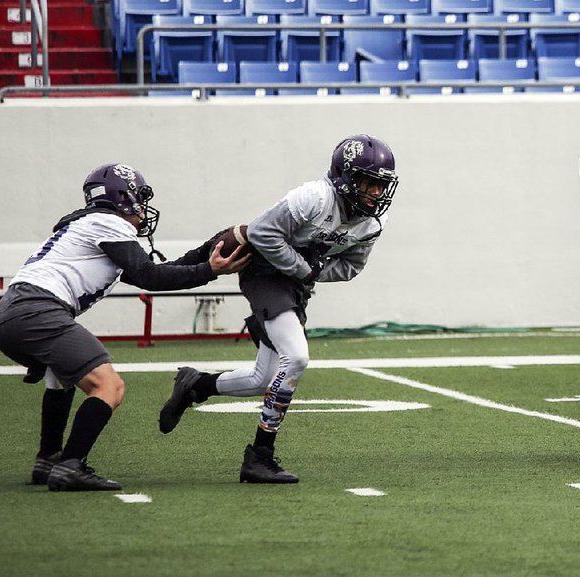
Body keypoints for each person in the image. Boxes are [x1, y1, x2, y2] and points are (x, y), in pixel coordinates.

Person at [0, 163, 250, 491]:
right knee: (109, 387)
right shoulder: (109, 223)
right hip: (38, 310)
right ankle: (71, 466)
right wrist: (209, 271)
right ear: (123, 197)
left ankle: (49, 460)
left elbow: (154, 271)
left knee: (61, 378)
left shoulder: (89, 226)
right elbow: (150, 277)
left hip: (12, 315)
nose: (143, 208)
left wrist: (203, 256)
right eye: (140, 198)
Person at [158, 134, 399, 484]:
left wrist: (311, 272)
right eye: (369, 183)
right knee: (297, 357)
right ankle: (260, 455)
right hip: (265, 270)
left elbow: (351, 267)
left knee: (264, 379)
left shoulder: (373, 221)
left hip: (294, 284)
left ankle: (196, 386)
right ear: (346, 177)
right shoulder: (314, 197)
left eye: (381, 185)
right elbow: (260, 233)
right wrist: (303, 268)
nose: (376, 193)